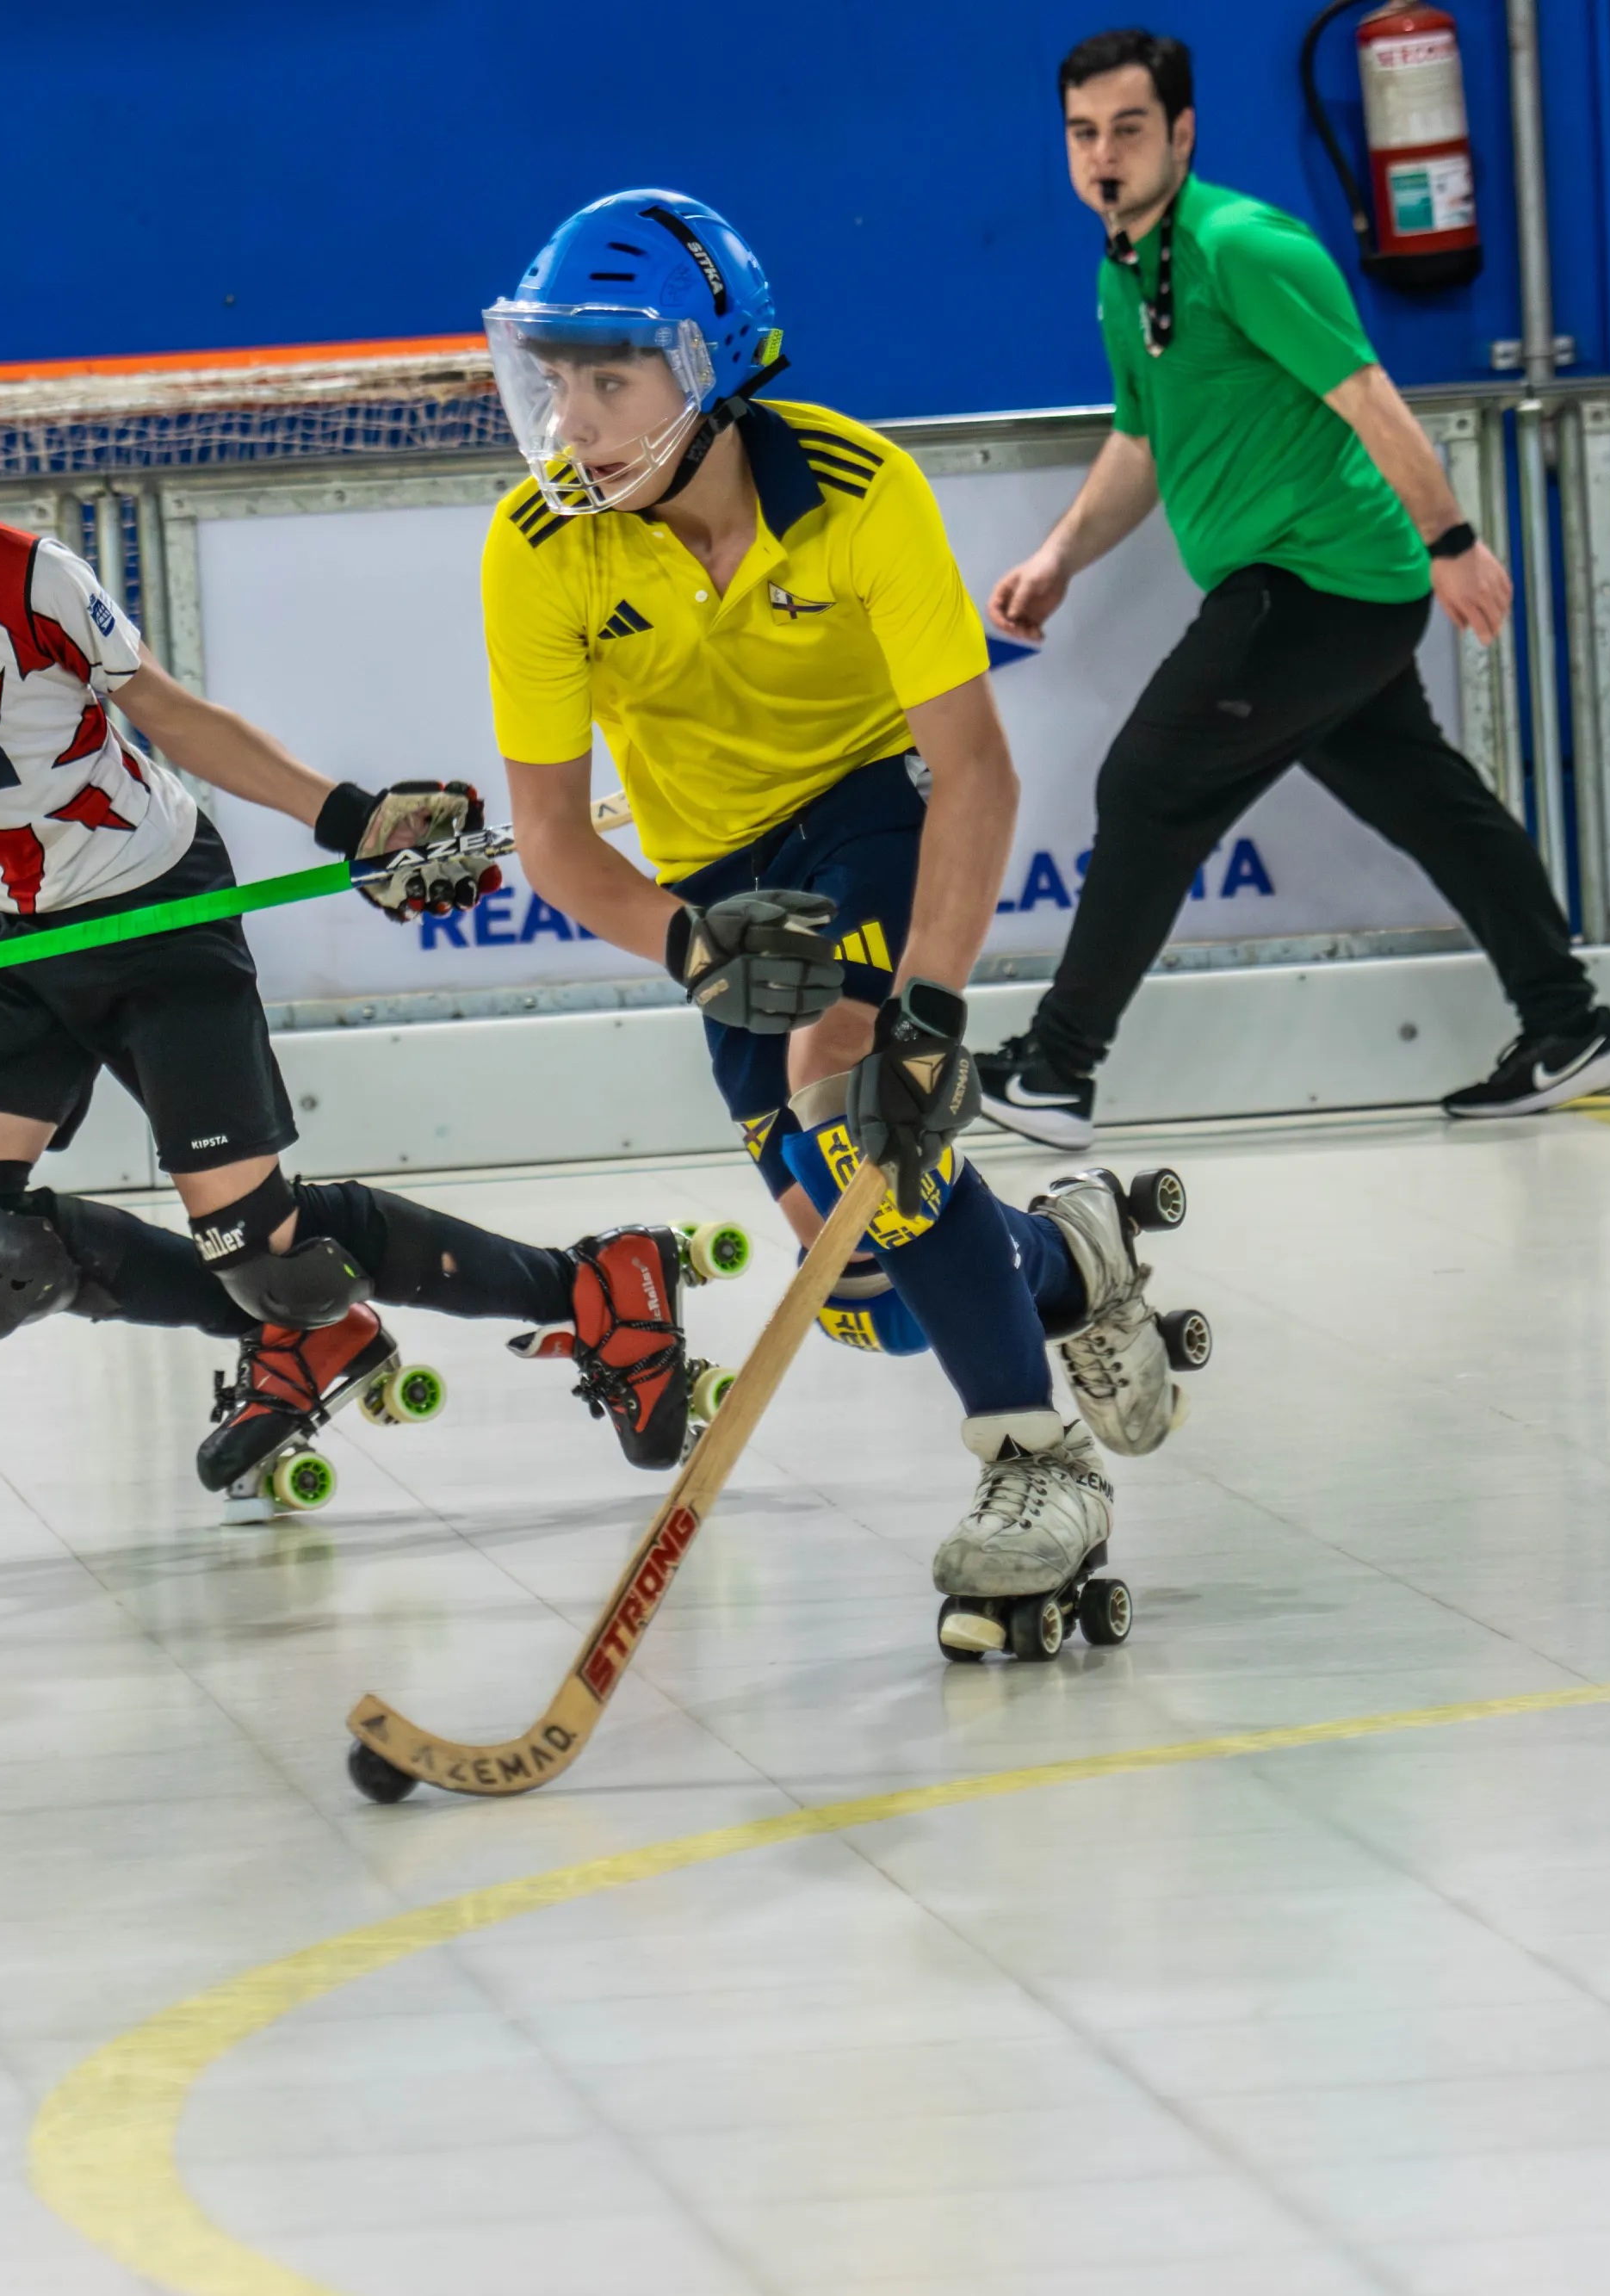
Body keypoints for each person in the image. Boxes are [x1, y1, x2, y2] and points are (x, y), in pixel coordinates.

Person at [0, 318, 709, 1496]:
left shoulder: (22, 573)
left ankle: (594, 1288)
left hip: (158, 912)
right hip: (13, 933)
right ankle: (302, 1336)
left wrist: (349, 818)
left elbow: (177, 719)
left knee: (270, 1253)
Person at [480, 194, 1196, 1657]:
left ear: (713, 367)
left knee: (855, 1091)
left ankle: (1035, 1460)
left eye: (612, 376)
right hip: (716, 884)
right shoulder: (536, 545)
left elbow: (977, 769)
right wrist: (693, 946)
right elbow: (552, 838)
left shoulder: (864, 493)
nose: (574, 420)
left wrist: (925, 1013)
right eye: (555, 378)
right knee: (872, 1285)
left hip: (874, 807)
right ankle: (1073, 1260)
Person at [977, 28, 1610, 1151]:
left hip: (1320, 582)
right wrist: (1058, 560)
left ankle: (1055, 1067)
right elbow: (1142, 442)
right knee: (1429, 803)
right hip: (1321, 590)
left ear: (1183, 132)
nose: (1104, 156)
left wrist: (1452, 539)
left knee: (1148, 784)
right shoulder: (1126, 270)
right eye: (1084, 134)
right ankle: (1571, 1024)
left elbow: (1366, 392)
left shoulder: (1243, 246)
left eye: (1129, 130)